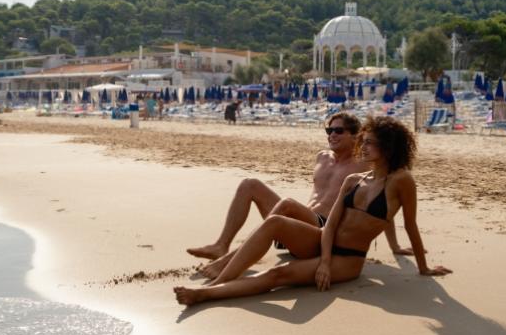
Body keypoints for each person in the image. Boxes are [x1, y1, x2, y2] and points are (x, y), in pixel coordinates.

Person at [175, 116, 451, 306]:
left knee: (277, 276)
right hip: (323, 242)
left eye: (369, 142)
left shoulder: (401, 181)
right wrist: (324, 261)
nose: (362, 147)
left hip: (349, 258)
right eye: (363, 141)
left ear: (388, 148)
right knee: (275, 222)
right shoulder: (354, 180)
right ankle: (218, 282)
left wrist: (423, 268)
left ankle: (205, 296)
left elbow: (410, 225)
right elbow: (330, 225)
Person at [187, 112, 409, 277]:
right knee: (249, 184)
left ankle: (230, 259)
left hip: (322, 230)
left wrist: (395, 246)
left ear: (356, 136)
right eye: (329, 131)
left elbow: (380, 206)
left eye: (338, 131)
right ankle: (221, 246)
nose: (332, 135)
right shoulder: (322, 157)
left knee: (288, 204)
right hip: (300, 226)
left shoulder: (363, 164)